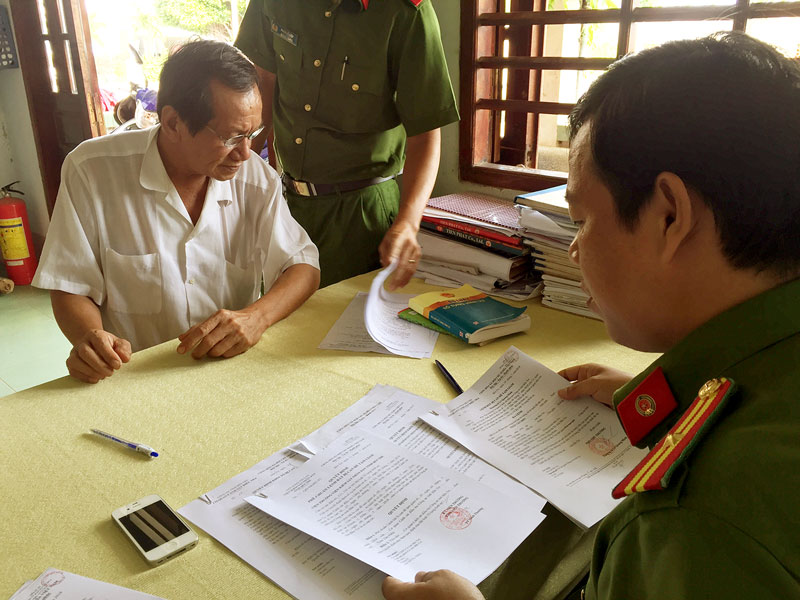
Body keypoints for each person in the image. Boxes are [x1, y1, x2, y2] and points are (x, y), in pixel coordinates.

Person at [382, 32, 800, 600]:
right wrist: (683, 403)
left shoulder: (693, 523)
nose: (574, 251)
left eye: (580, 220)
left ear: (669, 216)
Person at [33, 40, 320, 384]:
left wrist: (256, 317)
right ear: (172, 123)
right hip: (136, 377)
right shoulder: (92, 171)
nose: (246, 153)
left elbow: (302, 266)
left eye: (253, 133)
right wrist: (90, 339)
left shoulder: (256, 180)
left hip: (232, 370)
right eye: (231, 138)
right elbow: (70, 283)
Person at [234, 0, 459, 289]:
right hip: (285, 202)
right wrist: (237, 166)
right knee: (278, 323)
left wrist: (408, 223)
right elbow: (264, 83)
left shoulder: (405, 12)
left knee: (343, 327)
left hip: (360, 215)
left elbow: (425, 135)